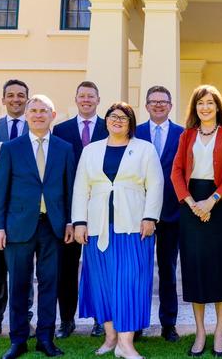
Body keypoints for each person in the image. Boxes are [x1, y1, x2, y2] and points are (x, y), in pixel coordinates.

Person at [73, 102, 163, 359]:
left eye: (124, 117)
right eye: (113, 116)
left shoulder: (144, 149)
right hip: (98, 226)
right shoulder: (91, 150)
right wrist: (79, 222)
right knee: (102, 282)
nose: (118, 120)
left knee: (130, 282)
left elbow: (156, 185)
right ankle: (111, 337)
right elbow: (81, 188)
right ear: (106, 121)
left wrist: (149, 217)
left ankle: (126, 344)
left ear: (131, 122)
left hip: (134, 226)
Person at [0, 94, 75, 359]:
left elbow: (69, 189)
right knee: (19, 284)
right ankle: (18, 340)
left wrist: (71, 221)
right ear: (26, 116)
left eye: (44, 111)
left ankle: (45, 339)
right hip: (18, 227)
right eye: (34, 110)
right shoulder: (11, 149)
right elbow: (0, 191)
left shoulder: (64, 148)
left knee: (50, 284)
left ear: (53, 115)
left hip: (53, 227)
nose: (38, 115)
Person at [171, 85, 222, 357]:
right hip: (190, 205)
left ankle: (220, 330)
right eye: (200, 103)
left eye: (210, 102)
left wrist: (211, 201)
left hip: (218, 206)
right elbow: (176, 172)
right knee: (195, 270)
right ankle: (200, 332)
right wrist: (191, 203)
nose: (205, 108)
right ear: (195, 107)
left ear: (217, 106)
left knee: (219, 271)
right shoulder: (186, 135)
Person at [52, 81, 108, 339]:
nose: (86, 100)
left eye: (91, 96)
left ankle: (100, 319)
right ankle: (66, 320)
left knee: (98, 266)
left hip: (100, 208)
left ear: (98, 100)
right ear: (76, 99)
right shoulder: (60, 129)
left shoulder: (109, 127)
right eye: (82, 96)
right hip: (69, 209)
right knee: (67, 266)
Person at [136, 86, 184, 342]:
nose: (158, 105)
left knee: (168, 270)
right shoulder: (135, 132)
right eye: (153, 102)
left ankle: (169, 324)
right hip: (139, 213)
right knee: (140, 270)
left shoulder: (182, 134)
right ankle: (137, 322)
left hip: (171, 213)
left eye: (163, 102)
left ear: (170, 105)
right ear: (146, 106)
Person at [0, 79, 33, 341]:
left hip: (24, 209)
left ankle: (24, 319)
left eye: (21, 95)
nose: (16, 99)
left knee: (23, 266)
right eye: (11, 95)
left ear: (27, 99)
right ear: (3, 99)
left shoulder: (37, 127)